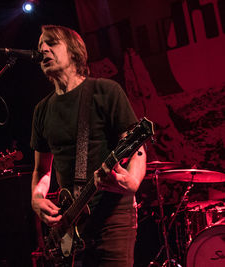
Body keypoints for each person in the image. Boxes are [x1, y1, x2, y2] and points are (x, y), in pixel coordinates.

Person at [30, 25, 146, 266]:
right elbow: (42, 170)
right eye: (41, 44)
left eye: (51, 43)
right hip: (70, 221)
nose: (43, 49)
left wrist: (132, 181)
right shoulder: (42, 110)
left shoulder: (104, 91)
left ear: (74, 52)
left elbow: (137, 148)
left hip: (112, 214)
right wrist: (37, 197)